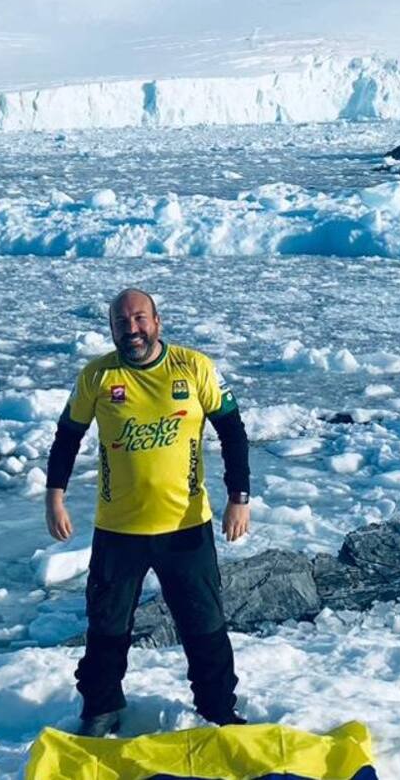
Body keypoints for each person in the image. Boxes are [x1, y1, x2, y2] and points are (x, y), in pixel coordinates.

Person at [44, 287, 252, 737]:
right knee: (106, 628)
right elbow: (67, 436)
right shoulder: (97, 376)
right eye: (122, 322)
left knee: (205, 626)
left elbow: (233, 432)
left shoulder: (193, 367)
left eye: (140, 319)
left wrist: (239, 497)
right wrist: (54, 496)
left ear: (157, 322)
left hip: (186, 527)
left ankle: (218, 710)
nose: (132, 329)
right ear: (112, 329)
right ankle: (100, 708)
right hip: (119, 530)